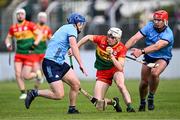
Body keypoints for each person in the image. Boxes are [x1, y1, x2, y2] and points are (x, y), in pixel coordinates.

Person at [25, 13, 87, 114]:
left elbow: (64, 44)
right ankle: (34, 93)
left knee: (75, 84)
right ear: (74, 23)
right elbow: (74, 46)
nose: (81, 26)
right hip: (50, 64)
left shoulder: (66, 28)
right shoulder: (71, 29)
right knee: (59, 95)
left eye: (82, 24)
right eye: (80, 24)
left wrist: (69, 49)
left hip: (60, 63)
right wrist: (81, 64)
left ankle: (72, 109)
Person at [74, 27, 135, 112]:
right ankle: (114, 102)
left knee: (121, 85)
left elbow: (120, 67)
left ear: (118, 39)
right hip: (102, 71)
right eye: (109, 36)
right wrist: (75, 47)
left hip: (115, 69)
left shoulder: (121, 48)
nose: (109, 39)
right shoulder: (102, 39)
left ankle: (129, 106)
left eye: (112, 37)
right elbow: (87, 37)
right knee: (98, 103)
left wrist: (112, 56)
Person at [125, 10, 174, 111]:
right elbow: (135, 38)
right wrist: (122, 50)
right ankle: (143, 102)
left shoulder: (168, 33)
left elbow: (157, 46)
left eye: (159, 20)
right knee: (144, 83)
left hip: (162, 57)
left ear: (165, 21)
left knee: (155, 73)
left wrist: (141, 52)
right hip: (149, 56)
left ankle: (151, 97)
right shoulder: (149, 26)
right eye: (155, 19)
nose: (156, 22)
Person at [5, 8, 43, 99]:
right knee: (17, 74)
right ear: (16, 16)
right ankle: (23, 93)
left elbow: (40, 34)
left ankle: (37, 75)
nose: (20, 15)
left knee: (25, 76)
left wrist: (34, 45)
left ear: (24, 15)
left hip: (29, 54)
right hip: (18, 54)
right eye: (18, 14)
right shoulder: (13, 28)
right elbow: (8, 38)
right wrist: (8, 44)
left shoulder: (30, 25)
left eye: (22, 14)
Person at [33, 12, 52, 89]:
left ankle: (35, 88)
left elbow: (51, 39)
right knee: (36, 70)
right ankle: (38, 82)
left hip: (44, 51)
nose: (42, 19)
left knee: (43, 70)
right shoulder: (34, 27)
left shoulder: (47, 29)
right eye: (41, 17)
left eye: (44, 18)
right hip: (34, 51)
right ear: (38, 18)